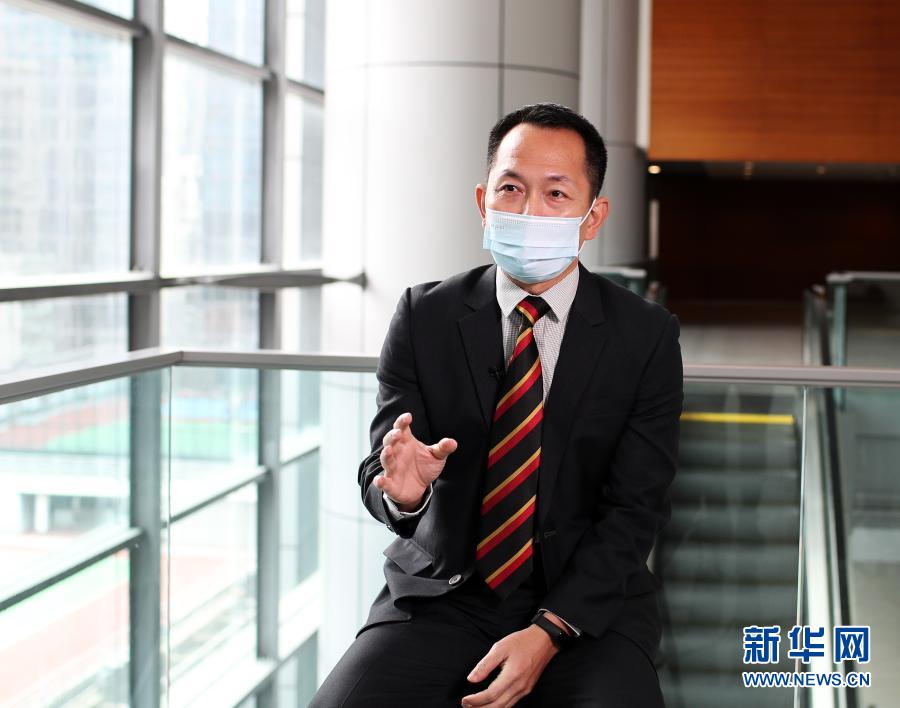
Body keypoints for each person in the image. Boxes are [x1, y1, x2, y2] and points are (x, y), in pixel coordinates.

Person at [309, 103, 683, 707]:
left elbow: (637, 508)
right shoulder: (424, 316)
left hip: (586, 608)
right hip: (441, 596)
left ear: (592, 217)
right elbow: (383, 470)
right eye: (511, 188)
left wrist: (549, 630)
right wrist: (403, 494)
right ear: (484, 202)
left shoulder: (645, 335)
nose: (529, 210)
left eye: (556, 194)